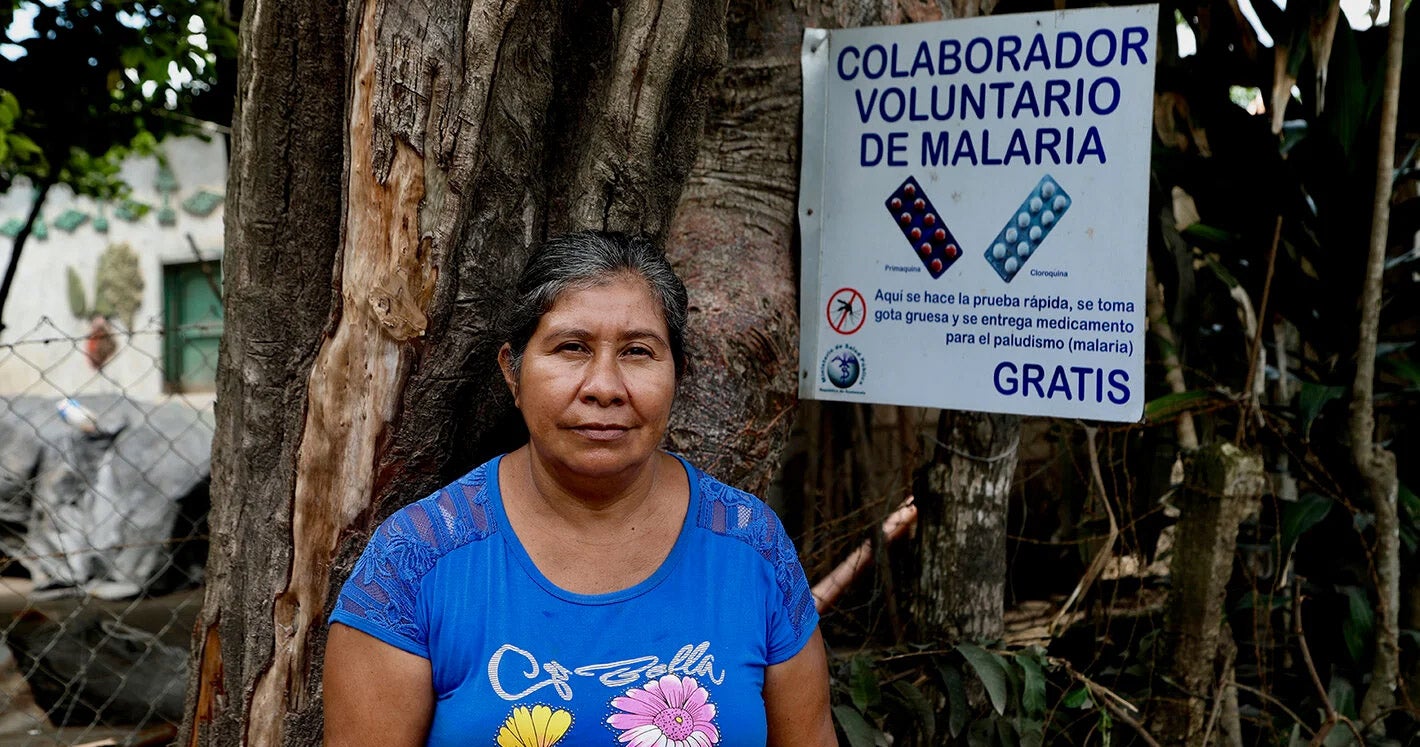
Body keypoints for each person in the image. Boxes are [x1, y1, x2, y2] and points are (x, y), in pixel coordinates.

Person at [324, 231, 835, 746]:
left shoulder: (751, 548)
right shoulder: (415, 559)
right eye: (572, 348)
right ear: (512, 372)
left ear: (677, 374)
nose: (604, 387)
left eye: (638, 351)